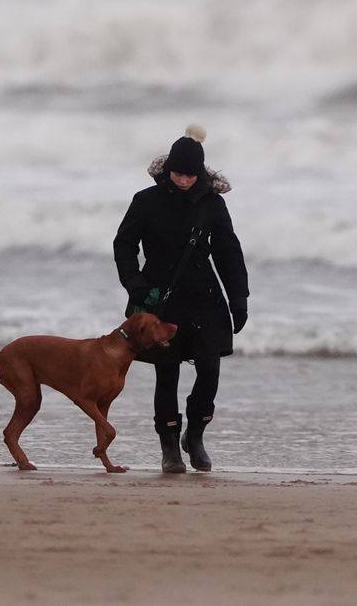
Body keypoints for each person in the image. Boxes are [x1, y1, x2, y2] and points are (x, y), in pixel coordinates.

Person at [112, 124, 249, 473]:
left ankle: (196, 435)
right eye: (177, 173)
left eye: (190, 175)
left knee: (210, 370)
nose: (183, 180)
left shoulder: (212, 205)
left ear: (199, 173)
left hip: (204, 298)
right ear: (166, 169)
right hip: (160, 300)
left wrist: (239, 299)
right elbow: (124, 245)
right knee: (166, 372)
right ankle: (170, 447)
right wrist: (136, 285)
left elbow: (228, 253)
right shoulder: (146, 201)